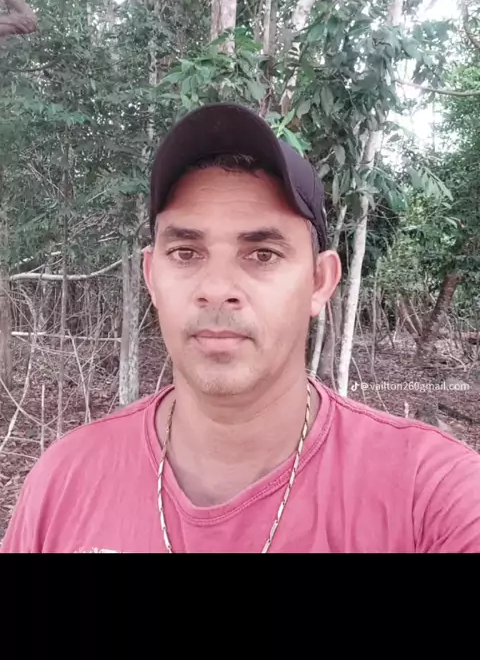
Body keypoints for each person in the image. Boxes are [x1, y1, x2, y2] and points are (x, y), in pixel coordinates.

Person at [2, 103, 480, 554]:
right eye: (185, 253)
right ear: (151, 277)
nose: (216, 289)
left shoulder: (432, 499)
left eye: (262, 254)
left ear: (319, 282)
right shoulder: (63, 484)